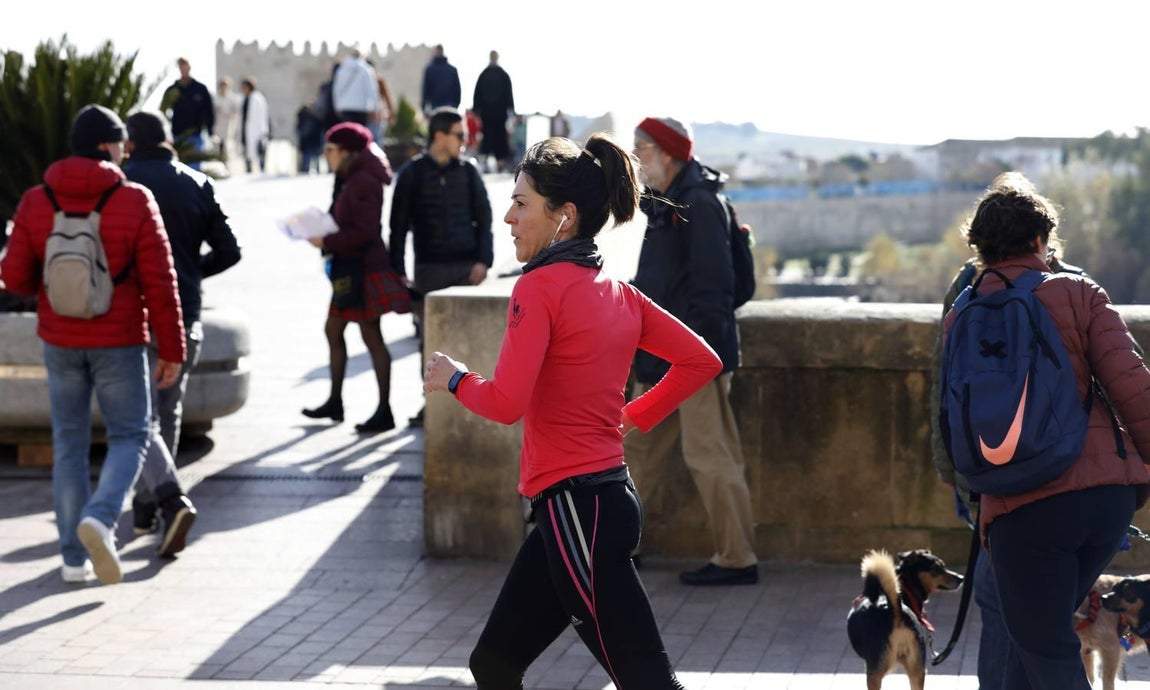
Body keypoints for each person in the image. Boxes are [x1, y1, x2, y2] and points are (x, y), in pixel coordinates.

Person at [423, 133, 718, 689]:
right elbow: (701, 360)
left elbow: (507, 403)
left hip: (579, 513)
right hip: (591, 505)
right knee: (493, 664)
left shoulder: (538, 289)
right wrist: (633, 415)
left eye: (521, 204)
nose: (508, 216)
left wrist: (454, 378)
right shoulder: (616, 291)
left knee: (651, 684)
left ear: (565, 216)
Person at [939, 171, 1150, 689]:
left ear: (980, 249)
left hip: (1021, 511)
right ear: (1040, 240)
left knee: (1045, 647)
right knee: (1032, 641)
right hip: (1103, 501)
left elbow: (952, 418)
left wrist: (969, 489)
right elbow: (1133, 387)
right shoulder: (1079, 293)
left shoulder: (961, 315)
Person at [0, 104, 186, 584]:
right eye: (122, 144)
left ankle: (71, 560)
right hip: (120, 340)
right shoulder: (134, 200)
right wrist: (172, 349)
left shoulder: (36, 201)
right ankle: (101, 517)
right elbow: (160, 284)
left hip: (60, 340)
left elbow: (14, 276)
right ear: (108, 146)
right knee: (131, 435)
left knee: (68, 444)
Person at [625, 116, 759, 586]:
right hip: (661, 356)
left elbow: (714, 288)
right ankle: (620, 546)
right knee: (634, 451)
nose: (637, 156)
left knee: (710, 455)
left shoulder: (697, 203)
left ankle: (737, 557)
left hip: (691, 359)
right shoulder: (671, 201)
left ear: (666, 152)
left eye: (641, 147)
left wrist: (694, 358)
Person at [122, 110, 242, 557]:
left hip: (134, 318)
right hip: (184, 313)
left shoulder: (122, 184)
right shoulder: (196, 182)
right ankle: (153, 503)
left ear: (130, 143)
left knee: (138, 418)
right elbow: (231, 250)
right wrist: (191, 273)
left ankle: (149, 504)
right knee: (167, 413)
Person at [302, 122, 411, 433]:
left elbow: (365, 232)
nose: (327, 156)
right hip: (351, 268)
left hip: (364, 269)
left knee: (371, 336)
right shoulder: (349, 177)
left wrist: (327, 241)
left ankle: (384, 410)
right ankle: (336, 401)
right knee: (335, 330)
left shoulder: (364, 180)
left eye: (331, 150)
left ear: (347, 151)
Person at [388, 107, 492, 428]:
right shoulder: (412, 174)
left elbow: (485, 220)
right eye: (459, 135)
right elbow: (398, 227)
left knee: (467, 339)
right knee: (430, 344)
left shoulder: (469, 172)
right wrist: (399, 270)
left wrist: (483, 261)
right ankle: (431, 407)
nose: (465, 140)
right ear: (440, 136)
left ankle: (468, 405)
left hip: (465, 270)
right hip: (429, 270)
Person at [472, 50, 515, 173]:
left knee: (487, 137)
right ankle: (500, 162)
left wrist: (476, 110)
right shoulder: (503, 75)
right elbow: (509, 94)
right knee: (500, 138)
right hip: (500, 114)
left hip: (486, 113)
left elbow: (477, 94)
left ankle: (485, 161)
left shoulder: (484, 74)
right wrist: (511, 110)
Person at [164, 58, 214, 162]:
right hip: (177, 136)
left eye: (185, 66)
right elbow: (163, 111)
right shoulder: (172, 89)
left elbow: (209, 111)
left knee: (196, 169)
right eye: (181, 67)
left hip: (196, 135)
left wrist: (211, 132)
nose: (183, 69)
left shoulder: (201, 89)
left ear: (189, 67)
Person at [332, 47, 380, 127]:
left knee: (347, 134)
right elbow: (371, 90)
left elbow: (337, 90)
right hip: (361, 108)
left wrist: (337, 106)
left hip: (345, 107)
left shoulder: (342, 70)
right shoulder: (366, 70)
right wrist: (375, 109)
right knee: (360, 135)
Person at [239, 77, 270, 174]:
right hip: (247, 129)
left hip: (257, 130)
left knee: (259, 150)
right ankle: (249, 170)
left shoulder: (257, 98)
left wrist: (263, 131)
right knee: (248, 151)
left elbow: (262, 116)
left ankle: (262, 170)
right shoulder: (244, 98)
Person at [420, 44, 461, 117]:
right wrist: (455, 105)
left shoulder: (430, 70)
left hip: (435, 109)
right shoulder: (452, 70)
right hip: (451, 108)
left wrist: (424, 108)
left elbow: (426, 91)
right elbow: (458, 91)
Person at [365, 58, 396, 143]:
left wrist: (391, 113)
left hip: (378, 117)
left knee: (376, 141)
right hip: (368, 117)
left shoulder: (379, 80)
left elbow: (387, 97)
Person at [213, 77, 240, 165]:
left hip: (228, 126)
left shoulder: (232, 98)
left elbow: (235, 112)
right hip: (218, 126)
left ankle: (226, 164)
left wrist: (226, 112)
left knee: (227, 147)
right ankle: (219, 164)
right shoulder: (216, 97)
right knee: (217, 146)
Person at [296, 104, 324, 174]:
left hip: (310, 143)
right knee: (310, 160)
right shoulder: (312, 118)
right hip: (312, 143)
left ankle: (306, 171)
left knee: (309, 160)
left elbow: (300, 131)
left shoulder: (307, 118)